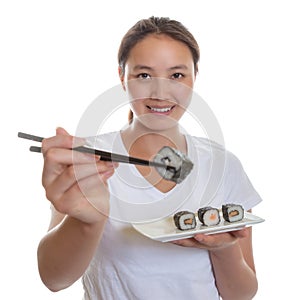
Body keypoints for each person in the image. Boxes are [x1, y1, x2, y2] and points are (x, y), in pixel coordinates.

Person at [37, 16, 262, 300]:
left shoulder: (223, 165)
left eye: (177, 76)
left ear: (195, 77)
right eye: (144, 75)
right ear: (122, 77)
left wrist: (223, 247)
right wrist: (88, 220)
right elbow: (53, 279)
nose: (160, 93)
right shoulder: (89, 160)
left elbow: (241, 295)